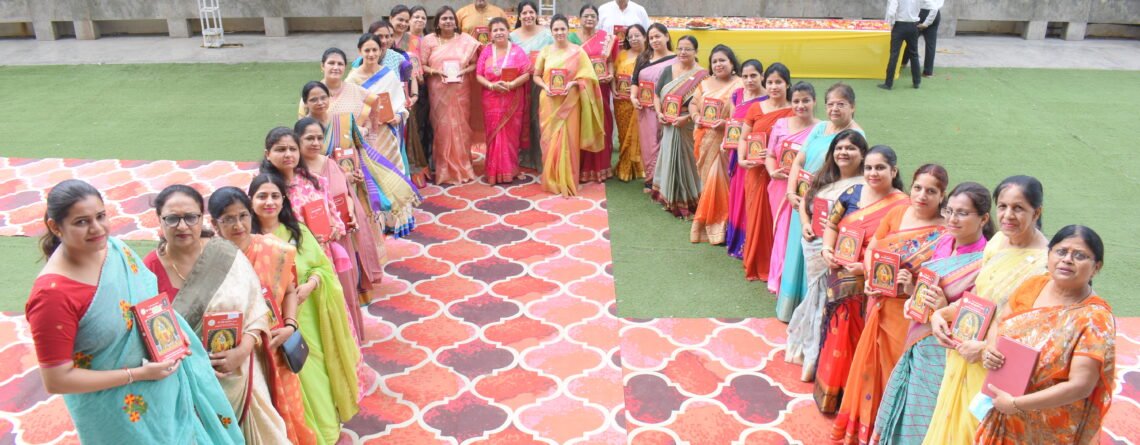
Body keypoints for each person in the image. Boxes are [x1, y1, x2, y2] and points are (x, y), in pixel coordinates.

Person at [25, 180, 242, 444]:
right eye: (81, 222)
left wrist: (173, 335)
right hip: (116, 414)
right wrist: (137, 375)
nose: (97, 228)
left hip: (164, 389)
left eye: (101, 216)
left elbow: (149, 304)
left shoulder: (116, 250)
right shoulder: (52, 295)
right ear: (55, 226)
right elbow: (57, 380)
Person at [142, 185, 291, 444]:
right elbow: (149, 334)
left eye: (191, 217)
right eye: (172, 218)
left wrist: (242, 351)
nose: (182, 226)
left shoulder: (225, 254)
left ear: (202, 218)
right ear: (159, 220)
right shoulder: (147, 270)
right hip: (187, 385)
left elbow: (257, 310)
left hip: (240, 374)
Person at [923, 175, 1049, 445]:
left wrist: (983, 349)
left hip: (996, 363)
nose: (1008, 215)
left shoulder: (1044, 264)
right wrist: (941, 315)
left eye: (1018, 208)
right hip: (963, 350)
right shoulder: (998, 241)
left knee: (977, 433)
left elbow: (1034, 331)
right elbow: (981, 298)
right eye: (1002, 206)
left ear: (1036, 212)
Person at [831, 165, 949, 444]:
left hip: (910, 314)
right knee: (871, 367)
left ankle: (888, 432)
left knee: (897, 370)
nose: (922, 196)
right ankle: (865, 430)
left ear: (942, 196)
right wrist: (870, 277)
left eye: (931, 191)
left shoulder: (945, 232)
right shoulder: (897, 213)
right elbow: (873, 249)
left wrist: (911, 286)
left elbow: (941, 280)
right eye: (917, 188)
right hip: (879, 301)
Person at [872, 182, 993, 445]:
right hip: (918, 340)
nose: (952, 219)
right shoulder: (944, 240)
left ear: (983, 219)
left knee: (929, 413)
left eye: (962, 213)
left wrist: (943, 309)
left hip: (945, 352)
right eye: (949, 211)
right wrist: (911, 293)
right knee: (907, 404)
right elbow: (925, 286)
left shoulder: (984, 261)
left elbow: (977, 319)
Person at [247, 173, 361, 444]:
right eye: (262, 196)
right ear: (250, 201)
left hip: (304, 316)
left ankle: (326, 432)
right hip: (266, 323)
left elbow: (322, 266)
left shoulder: (296, 231)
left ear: (283, 200)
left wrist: (310, 285)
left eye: (275, 196)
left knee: (311, 370)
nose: (269, 202)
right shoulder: (247, 239)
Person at [975, 225, 1114, 445]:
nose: (1067, 260)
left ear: (1096, 267)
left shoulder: (1094, 318)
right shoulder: (1034, 285)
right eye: (1061, 251)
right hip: (1002, 405)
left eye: (1079, 256)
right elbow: (1000, 323)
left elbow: (1080, 385)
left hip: (1049, 424)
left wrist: (1017, 404)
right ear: (1049, 255)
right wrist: (991, 348)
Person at [814, 145, 910, 413]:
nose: (873, 173)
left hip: (870, 285)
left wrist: (866, 268)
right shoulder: (851, 193)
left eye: (880, 168)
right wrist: (827, 249)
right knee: (836, 333)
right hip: (839, 273)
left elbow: (901, 250)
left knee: (860, 341)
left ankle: (854, 399)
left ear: (894, 170)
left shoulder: (903, 206)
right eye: (868, 167)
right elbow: (831, 225)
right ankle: (831, 393)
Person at [783, 130, 867, 381]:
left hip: (839, 253)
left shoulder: (865, 186)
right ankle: (807, 352)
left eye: (850, 148)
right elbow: (805, 201)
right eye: (839, 148)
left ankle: (817, 358)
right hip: (813, 246)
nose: (843, 152)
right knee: (814, 296)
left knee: (826, 301)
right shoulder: (825, 177)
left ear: (862, 154)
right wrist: (805, 224)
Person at [779, 83, 862, 332]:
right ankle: (791, 308)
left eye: (841, 104)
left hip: (828, 207)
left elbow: (852, 175)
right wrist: (791, 191)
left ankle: (813, 312)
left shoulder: (856, 136)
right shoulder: (819, 128)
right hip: (803, 199)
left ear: (852, 107)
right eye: (831, 104)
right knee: (797, 250)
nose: (835, 109)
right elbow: (799, 161)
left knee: (818, 257)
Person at [301, 82, 421, 238]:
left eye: (323, 97)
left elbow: (358, 147)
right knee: (330, 227)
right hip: (320, 185)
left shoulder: (344, 120)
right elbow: (304, 159)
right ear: (306, 103)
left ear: (329, 98)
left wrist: (357, 171)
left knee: (357, 221)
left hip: (352, 180)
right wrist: (338, 176)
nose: (320, 102)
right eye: (313, 99)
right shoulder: (302, 128)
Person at [295, 117, 389, 315]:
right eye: (309, 138)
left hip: (340, 236)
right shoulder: (293, 171)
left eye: (319, 138)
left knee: (346, 289)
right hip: (312, 242)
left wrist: (351, 214)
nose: (315, 143)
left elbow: (345, 195)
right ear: (297, 140)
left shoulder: (330, 164)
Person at [531, 14, 606, 196]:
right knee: (549, 139)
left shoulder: (578, 52)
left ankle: (568, 179)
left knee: (569, 140)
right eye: (556, 29)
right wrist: (545, 86)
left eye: (562, 29)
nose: (559, 32)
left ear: (568, 30)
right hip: (549, 101)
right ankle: (551, 178)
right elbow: (536, 76)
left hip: (570, 102)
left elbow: (589, 78)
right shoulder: (545, 51)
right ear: (551, 31)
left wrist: (573, 84)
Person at [767, 81, 820, 308]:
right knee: (781, 233)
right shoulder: (781, 124)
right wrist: (772, 172)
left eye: (806, 100)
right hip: (780, 187)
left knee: (799, 234)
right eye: (796, 101)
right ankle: (778, 280)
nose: (800, 105)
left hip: (806, 191)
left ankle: (797, 282)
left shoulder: (821, 129)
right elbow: (770, 155)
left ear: (814, 102)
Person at [739, 63, 794, 280]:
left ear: (787, 84)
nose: (773, 86)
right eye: (770, 82)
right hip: (755, 171)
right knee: (757, 216)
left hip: (780, 174)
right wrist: (742, 159)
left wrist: (774, 155)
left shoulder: (794, 110)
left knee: (777, 217)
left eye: (778, 82)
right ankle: (757, 262)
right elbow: (744, 137)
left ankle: (777, 264)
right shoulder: (756, 108)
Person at [422, 6, 482, 185]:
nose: (448, 21)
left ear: (456, 22)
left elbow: (474, 63)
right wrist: (436, 72)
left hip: (461, 89)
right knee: (442, 128)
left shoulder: (465, 40)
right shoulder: (429, 40)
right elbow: (422, 65)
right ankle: (444, 170)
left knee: (461, 127)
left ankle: (463, 166)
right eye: (444, 18)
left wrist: (463, 71)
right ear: (437, 23)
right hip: (438, 90)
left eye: (451, 18)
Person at [690, 44, 742, 243]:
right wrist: (696, 117)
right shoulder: (704, 83)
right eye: (714, 61)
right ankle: (713, 222)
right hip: (704, 139)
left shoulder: (740, 84)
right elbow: (693, 104)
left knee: (720, 182)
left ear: (732, 63)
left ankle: (721, 227)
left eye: (722, 60)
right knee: (708, 183)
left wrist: (726, 124)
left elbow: (744, 114)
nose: (718, 64)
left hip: (727, 142)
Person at [650, 35, 707, 217]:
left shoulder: (703, 75)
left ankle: (690, 198)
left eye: (687, 49)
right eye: (680, 48)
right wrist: (659, 113)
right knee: (669, 156)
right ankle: (669, 195)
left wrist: (687, 118)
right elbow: (656, 95)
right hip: (668, 122)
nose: (683, 52)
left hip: (688, 124)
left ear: (696, 51)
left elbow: (705, 107)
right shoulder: (668, 70)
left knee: (688, 160)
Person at [346, 32, 413, 176]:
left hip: (387, 132)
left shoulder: (388, 74)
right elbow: (348, 109)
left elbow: (400, 103)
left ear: (381, 50)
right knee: (371, 172)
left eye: (374, 50)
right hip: (366, 134)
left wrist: (399, 116)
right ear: (360, 51)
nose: (371, 54)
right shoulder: (352, 79)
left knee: (393, 172)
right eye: (367, 50)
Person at [476, 17, 533, 184]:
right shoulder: (486, 51)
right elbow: (478, 75)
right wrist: (491, 85)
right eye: (495, 30)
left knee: (510, 136)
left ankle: (510, 170)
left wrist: (513, 84)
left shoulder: (517, 51)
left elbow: (526, 73)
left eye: (502, 29)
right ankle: (493, 172)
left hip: (512, 99)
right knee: (494, 135)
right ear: (490, 34)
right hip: (491, 99)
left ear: (509, 31)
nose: (499, 32)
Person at [724, 59, 767, 258]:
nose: (749, 80)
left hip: (755, 156)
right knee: (737, 194)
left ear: (762, 76)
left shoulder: (767, 100)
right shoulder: (738, 94)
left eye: (753, 76)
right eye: (745, 76)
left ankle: (750, 242)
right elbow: (732, 122)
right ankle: (735, 240)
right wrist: (726, 141)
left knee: (749, 196)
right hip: (737, 153)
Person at [569, 4, 617, 182]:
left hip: (600, 88)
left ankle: (600, 168)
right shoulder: (571, 38)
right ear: (579, 19)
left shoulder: (606, 38)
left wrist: (610, 74)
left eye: (593, 16)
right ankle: (580, 167)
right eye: (586, 16)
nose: (589, 19)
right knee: (580, 125)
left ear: (597, 20)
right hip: (579, 89)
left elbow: (610, 61)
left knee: (602, 124)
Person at [510, 1, 555, 172]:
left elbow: (554, 55)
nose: (528, 16)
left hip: (539, 83)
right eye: (524, 13)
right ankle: (521, 157)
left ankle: (539, 158)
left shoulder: (547, 35)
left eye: (531, 12)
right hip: (518, 84)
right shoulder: (512, 37)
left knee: (538, 118)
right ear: (519, 16)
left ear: (536, 14)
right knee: (519, 119)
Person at [631, 23, 675, 191]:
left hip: (668, 109)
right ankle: (651, 180)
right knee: (649, 144)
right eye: (651, 38)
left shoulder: (677, 59)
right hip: (646, 110)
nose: (654, 40)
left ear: (667, 36)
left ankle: (667, 180)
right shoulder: (643, 58)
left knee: (666, 142)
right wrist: (633, 97)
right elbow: (635, 80)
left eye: (658, 36)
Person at [613, 24, 646, 182]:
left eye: (637, 35)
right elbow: (613, 74)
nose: (633, 39)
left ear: (644, 36)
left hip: (640, 103)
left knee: (639, 136)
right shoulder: (622, 55)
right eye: (630, 36)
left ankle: (637, 168)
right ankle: (624, 166)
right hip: (621, 102)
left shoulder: (649, 57)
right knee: (623, 135)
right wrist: (613, 89)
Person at [409, 5, 434, 173]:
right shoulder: (404, 39)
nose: (420, 20)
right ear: (409, 20)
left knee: (427, 123)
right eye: (416, 17)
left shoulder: (428, 39)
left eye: (423, 18)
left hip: (428, 85)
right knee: (414, 124)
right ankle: (414, 162)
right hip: (409, 87)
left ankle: (427, 161)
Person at [879, 0, 922, 90]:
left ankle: (888, 83)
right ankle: (916, 82)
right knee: (914, 54)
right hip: (913, 25)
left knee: (894, 55)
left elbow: (891, 11)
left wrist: (891, 24)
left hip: (899, 25)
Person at [918, 0, 943, 77]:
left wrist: (925, 23)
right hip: (935, 13)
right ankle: (928, 72)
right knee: (931, 45)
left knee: (910, 39)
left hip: (922, 11)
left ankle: (903, 62)